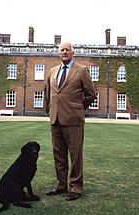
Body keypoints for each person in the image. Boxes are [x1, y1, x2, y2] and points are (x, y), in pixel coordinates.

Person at [45, 41, 96, 201]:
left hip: (73, 120)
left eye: (67, 49)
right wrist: (51, 108)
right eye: (62, 50)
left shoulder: (81, 71)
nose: (64, 52)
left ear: (72, 53)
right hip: (55, 119)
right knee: (58, 155)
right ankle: (61, 185)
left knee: (75, 155)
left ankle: (76, 187)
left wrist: (78, 108)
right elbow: (48, 93)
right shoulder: (52, 71)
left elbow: (91, 94)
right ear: (58, 53)